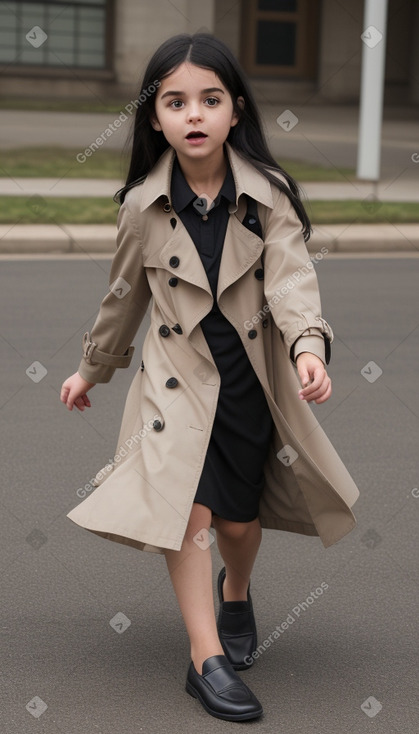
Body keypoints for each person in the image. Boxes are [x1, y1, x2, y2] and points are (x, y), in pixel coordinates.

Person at [60, 33, 359, 723]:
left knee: (236, 522)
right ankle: (206, 659)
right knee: (189, 514)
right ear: (155, 118)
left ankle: (236, 591)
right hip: (176, 385)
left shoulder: (266, 196)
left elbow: (291, 279)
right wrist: (90, 371)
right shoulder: (142, 205)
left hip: (249, 380)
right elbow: (123, 299)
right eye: (175, 101)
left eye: (209, 99)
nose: (193, 114)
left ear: (234, 111)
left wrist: (307, 346)